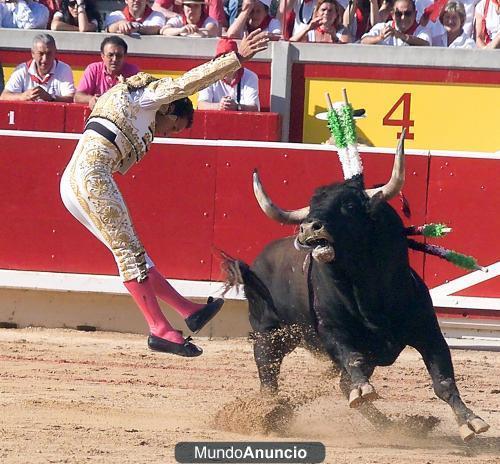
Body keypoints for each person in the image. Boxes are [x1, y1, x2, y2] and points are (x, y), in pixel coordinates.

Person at [59, 30, 269, 357]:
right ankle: (159, 328)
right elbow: (187, 84)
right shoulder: (148, 98)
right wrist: (235, 59)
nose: (167, 134)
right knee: (129, 252)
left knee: (133, 251)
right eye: (173, 128)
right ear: (170, 112)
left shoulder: (127, 98)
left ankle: (188, 310)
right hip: (91, 175)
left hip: (76, 179)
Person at [0, 34, 75, 102]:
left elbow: (71, 98)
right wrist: (22, 96)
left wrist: (51, 98)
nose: (45, 59)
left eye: (49, 53)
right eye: (41, 54)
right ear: (33, 53)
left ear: (55, 52)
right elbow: (4, 96)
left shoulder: (64, 69)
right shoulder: (22, 70)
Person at [74, 36, 139, 109]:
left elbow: (140, 99)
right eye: (110, 55)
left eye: (119, 56)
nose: (114, 59)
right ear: (102, 56)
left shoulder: (133, 72)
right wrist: (91, 99)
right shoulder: (93, 69)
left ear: (125, 56)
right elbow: (77, 96)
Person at [197, 39, 260, 111]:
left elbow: (254, 108)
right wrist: (219, 106)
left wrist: (236, 107)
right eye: (222, 59)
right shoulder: (207, 76)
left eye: (229, 58)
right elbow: (201, 105)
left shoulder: (250, 76)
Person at [361, 0, 431, 45]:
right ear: (392, 15)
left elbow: (426, 44)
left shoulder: (422, 31)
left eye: (408, 13)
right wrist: (379, 38)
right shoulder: (383, 27)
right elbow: (363, 41)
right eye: (398, 14)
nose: (403, 17)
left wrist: (401, 36)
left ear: (415, 14)